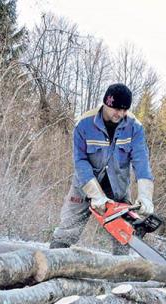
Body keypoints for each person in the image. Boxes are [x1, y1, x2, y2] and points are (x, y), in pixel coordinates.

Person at [49, 83, 154, 255]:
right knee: (67, 229)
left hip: (117, 188)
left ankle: (120, 275)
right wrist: (95, 194)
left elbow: (141, 163)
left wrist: (145, 195)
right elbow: (80, 161)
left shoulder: (135, 127)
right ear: (106, 103)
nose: (120, 114)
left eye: (125, 110)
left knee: (124, 234)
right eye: (116, 109)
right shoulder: (84, 124)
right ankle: (53, 259)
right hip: (85, 184)